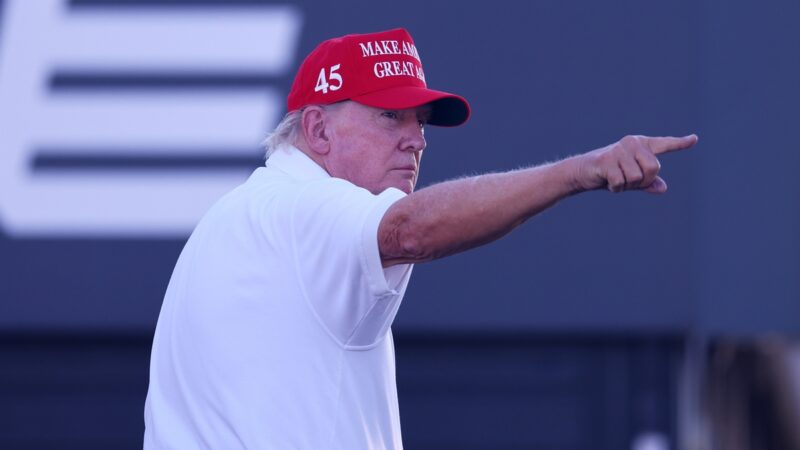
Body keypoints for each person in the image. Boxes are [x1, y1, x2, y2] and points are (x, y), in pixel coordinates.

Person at [143, 27, 697, 449]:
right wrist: (578, 172)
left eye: (421, 122)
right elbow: (408, 230)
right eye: (391, 116)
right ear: (317, 129)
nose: (417, 140)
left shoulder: (245, 214)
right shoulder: (297, 208)